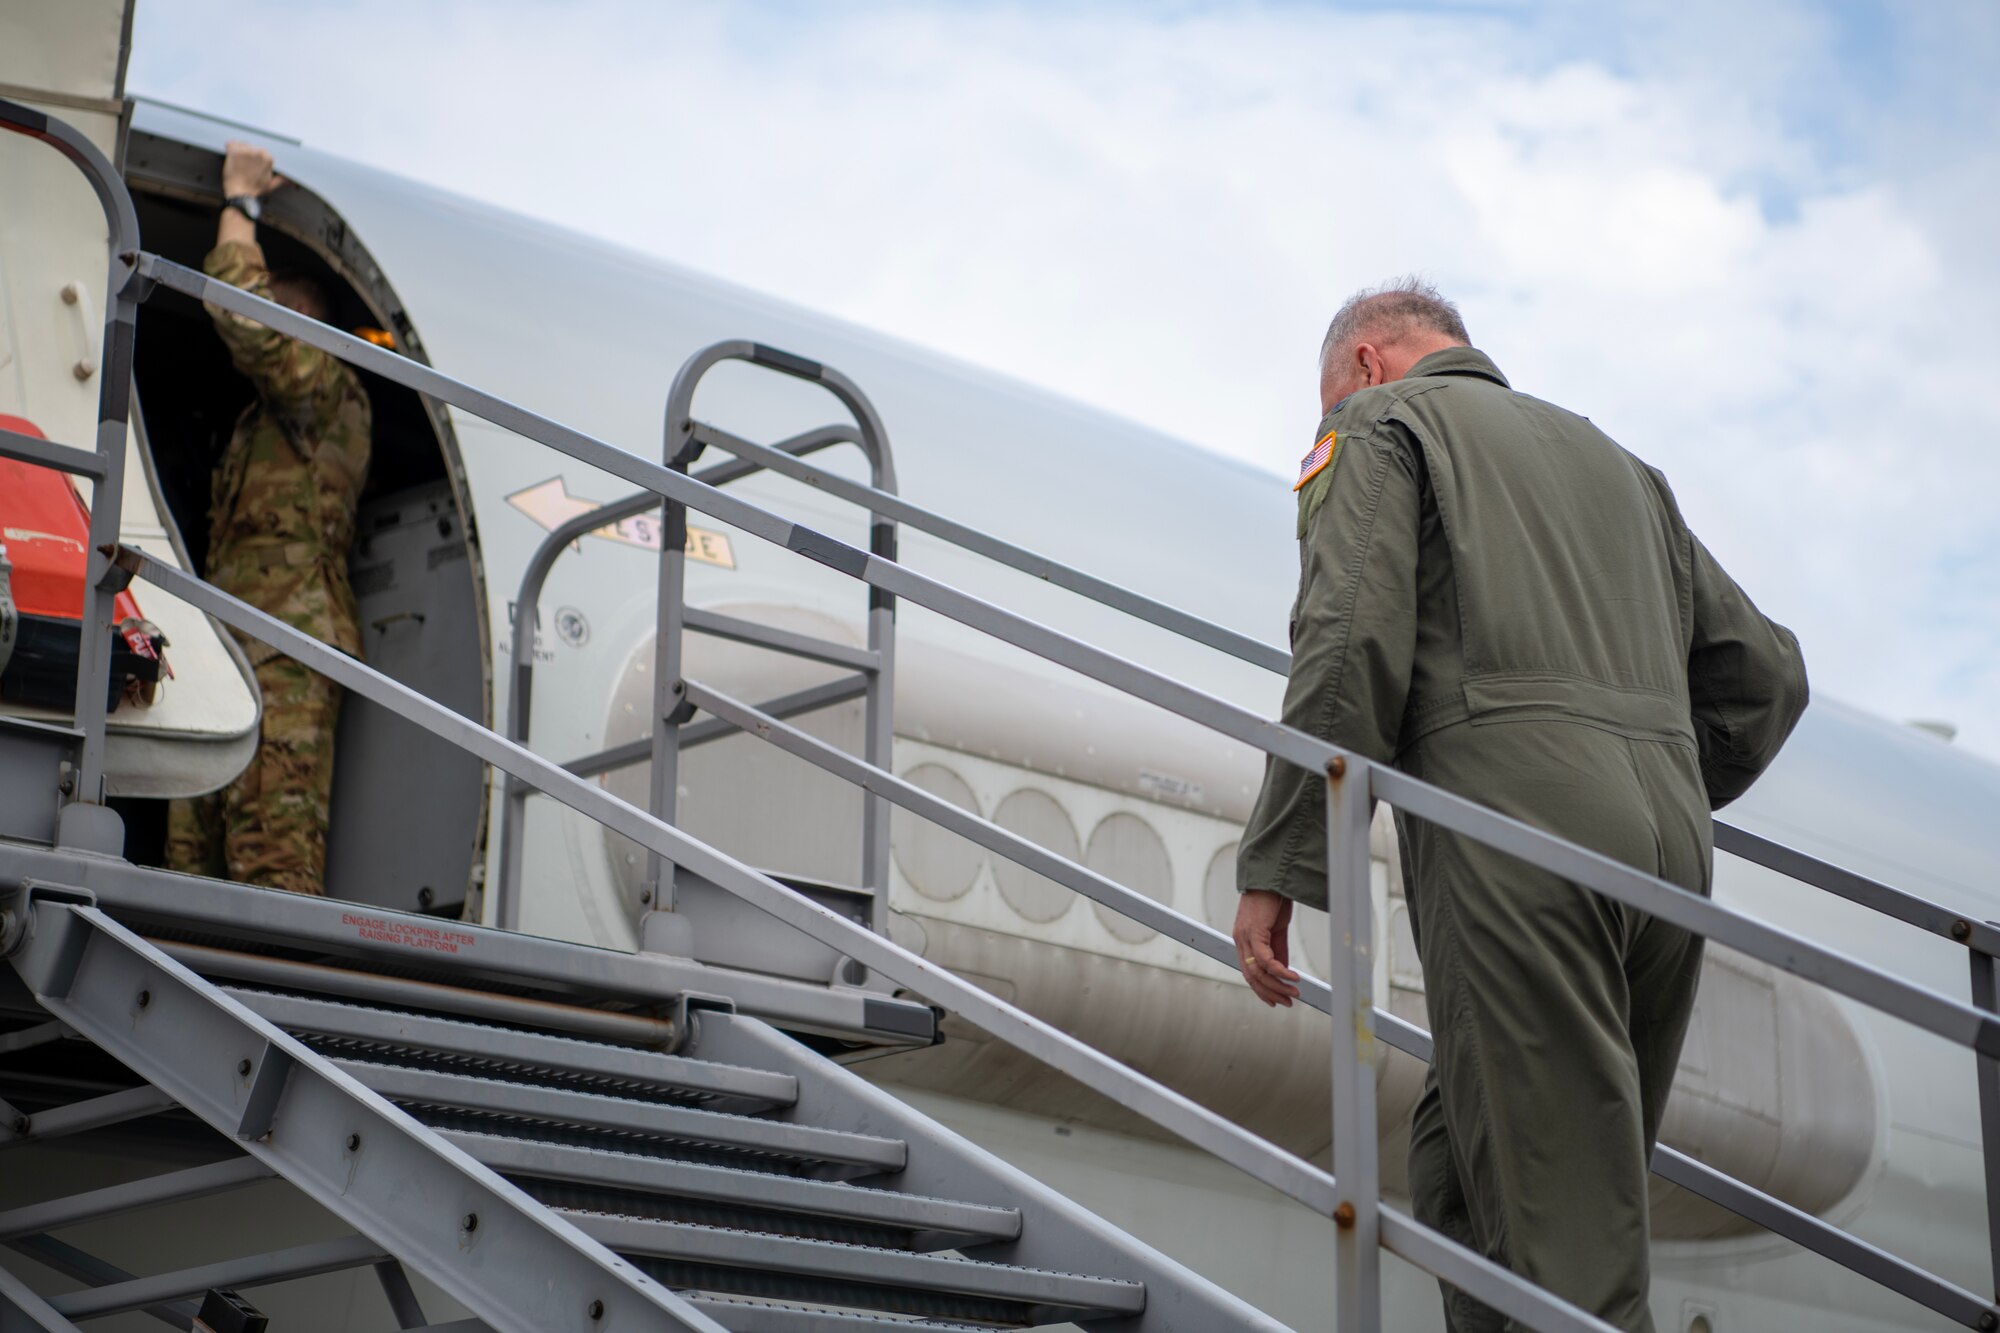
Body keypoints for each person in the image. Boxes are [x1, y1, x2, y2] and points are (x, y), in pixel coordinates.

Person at [1232, 279, 1808, 1331]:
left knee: (1565, 1252)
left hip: (1512, 835)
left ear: (1363, 362)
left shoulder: (1379, 422)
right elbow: (1767, 678)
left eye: (1324, 399)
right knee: (1468, 1166)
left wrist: (1280, 861)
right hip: (1665, 853)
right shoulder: (1619, 465)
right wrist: (1653, 773)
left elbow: (1347, 636)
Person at [165, 141, 372, 897]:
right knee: (191, 852)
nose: (268, 315)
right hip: (233, 634)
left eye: (282, 303)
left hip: (287, 640)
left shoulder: (327, 386)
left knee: (272, 856)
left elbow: (239, 312)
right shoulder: (263, 420)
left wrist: (241, 203)